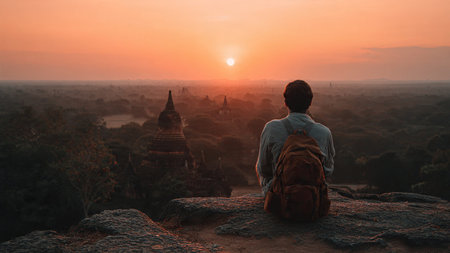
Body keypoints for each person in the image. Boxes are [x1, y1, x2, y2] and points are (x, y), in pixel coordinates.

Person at [256, 80, 335, 196]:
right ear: (310, 103)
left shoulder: (271, 128)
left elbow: (263, 168)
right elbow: (327, 170)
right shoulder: (324, 132)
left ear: (285, 103)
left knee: (260, 170)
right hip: (312, 197)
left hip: (280, 194)